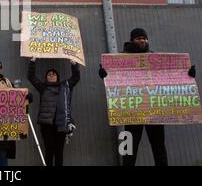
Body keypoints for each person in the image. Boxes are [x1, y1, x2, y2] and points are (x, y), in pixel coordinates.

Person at [98, 27, 196, 166]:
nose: (142, 41)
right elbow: (111, 78)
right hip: (132, 112)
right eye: (139, 38)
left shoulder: (155, 58)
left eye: (144, 38)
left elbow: (172, 75)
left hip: (155, 111)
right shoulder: (121, 58)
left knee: (159, 147)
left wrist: (188, 74)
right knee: (129, 148)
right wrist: (104, 74)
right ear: (132, 40)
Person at [27, 57, 80, 166]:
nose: (51, 76)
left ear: (57, 77)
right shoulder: (43, 87)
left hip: (61, 124)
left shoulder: (65, 86)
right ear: (46, 78)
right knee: (49, 150)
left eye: (53, 74)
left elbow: (76, 77)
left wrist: (74, 64)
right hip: (47, 125)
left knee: (59, 151)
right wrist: (33, 61)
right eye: (49, 75)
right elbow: (31, 77)